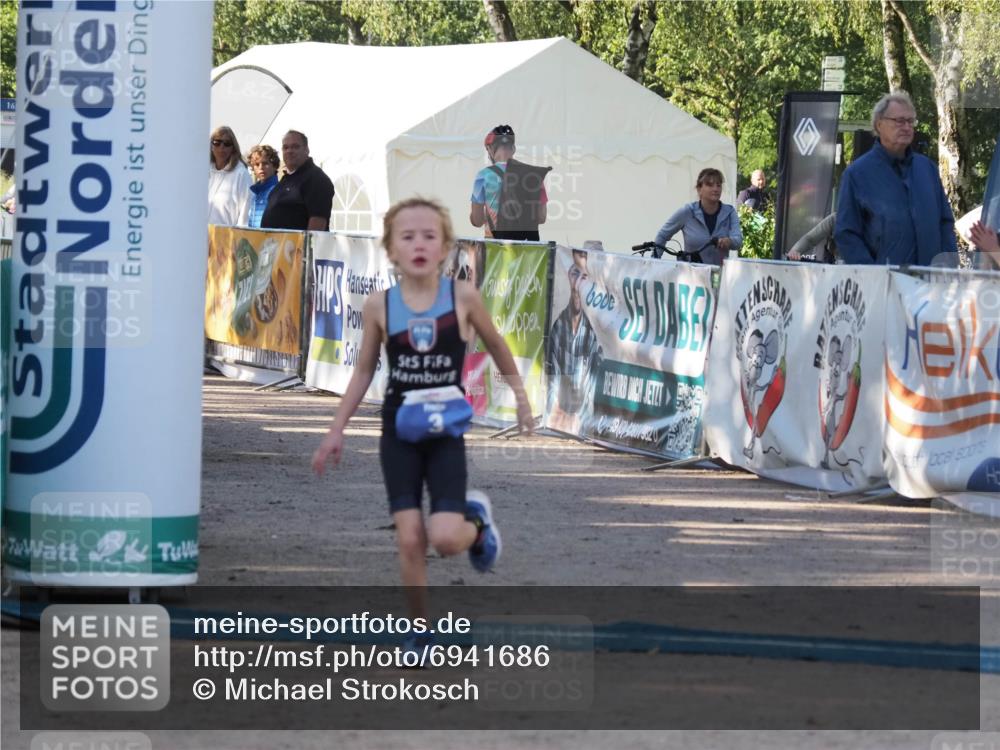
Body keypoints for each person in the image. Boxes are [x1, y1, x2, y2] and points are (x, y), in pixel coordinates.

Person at [312, 197, 533, 638]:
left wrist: (521, 398)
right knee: (410, 537)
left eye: (429, 236)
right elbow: (363, 370)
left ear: (446, 246)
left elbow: (497, 345)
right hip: (399, 430)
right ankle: (419, 632)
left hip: (445, 432)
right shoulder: (380, 306)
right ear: (391, 249)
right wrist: (335, 430)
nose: (419, 244)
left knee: (447, 539)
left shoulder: (462, 297)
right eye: (407, 236)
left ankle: (478, 525)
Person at [835, 92, 957, 266]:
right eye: (899, 121)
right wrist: (873, 276)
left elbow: (945, 223)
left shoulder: (927, 169)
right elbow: (846, 233)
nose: (907, 127)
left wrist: (948, 269)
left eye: (910, 121)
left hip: (931, 283)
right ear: (879, 125)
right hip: (884, 286)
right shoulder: (857, 174)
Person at [546, 249, 602, 435]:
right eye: (575, 273)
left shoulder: (597, 332)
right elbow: (552, 382)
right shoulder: (558, 326)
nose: (578, 282)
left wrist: (581, 422)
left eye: (585, 276)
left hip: (582, 424)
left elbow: (593, 390)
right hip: (559, 420)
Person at [470, 125, 550, 242]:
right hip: (527, 249)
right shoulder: (534, 175)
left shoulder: (483, 176)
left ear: (491, 149)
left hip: (496, 249)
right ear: (513, 148)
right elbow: (541, 218)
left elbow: (477, 221)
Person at [654, 167, 743, 266]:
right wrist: (654, 262)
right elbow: (663, 235)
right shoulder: (687, 211)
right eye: (710, 185)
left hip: (719, 276)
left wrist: (729, 241)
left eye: (718, 185)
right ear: (699, 189)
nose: (715, 189)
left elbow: (738, 240)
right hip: (691, 276)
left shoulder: (729, 212)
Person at [262, 130, 335, 231]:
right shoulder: (286, 179)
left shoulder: (316, 179)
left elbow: (317, 226)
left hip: (296, 246)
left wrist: (306, 246)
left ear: (307, 150)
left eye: (295, 147)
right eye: (285, 147)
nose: (289, 151)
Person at [208, 126, 251, 226]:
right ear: (211, 145)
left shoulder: (241, 174)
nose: (221, 147)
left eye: (227, 143)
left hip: (227, 238)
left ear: (233, 148)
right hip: (200, 237)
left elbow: (245, 211)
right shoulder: (204, 171)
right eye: (217, 142)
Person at [245, 144, 280, 229]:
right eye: (257, 164)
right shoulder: (255, 193)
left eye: (265, 163)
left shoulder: (278, 191)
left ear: (274, 166)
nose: (261, 167)